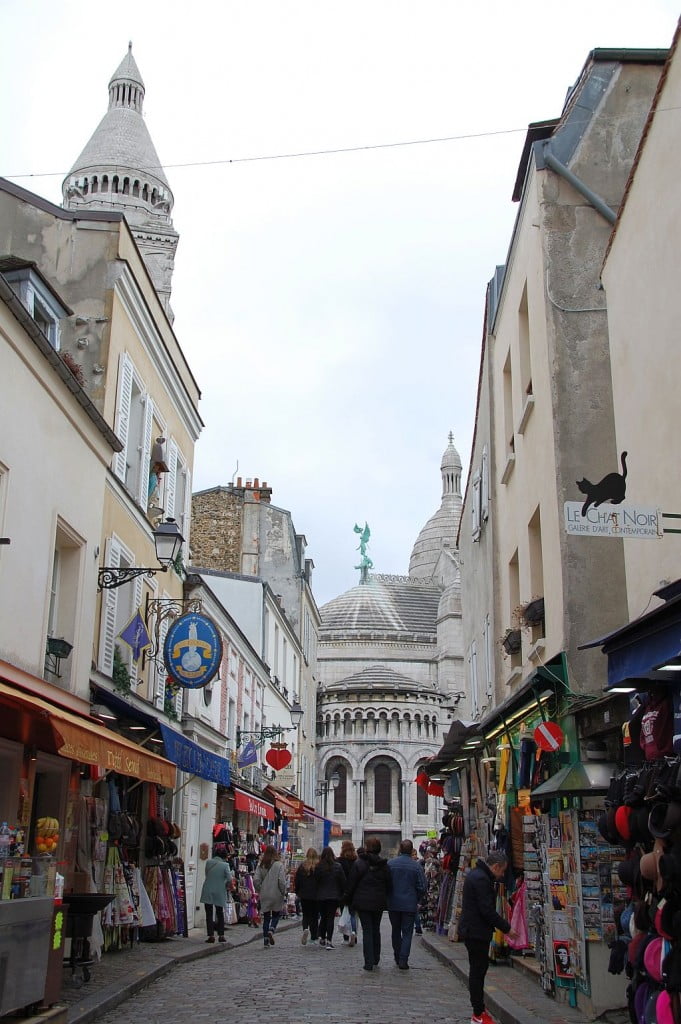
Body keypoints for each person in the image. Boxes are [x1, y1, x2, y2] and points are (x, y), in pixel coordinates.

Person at [457, 851, 515, 1024]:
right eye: (502, 871)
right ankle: (478, 1013)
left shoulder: (476, 875)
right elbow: (486, 910)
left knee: (478, 971)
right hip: (476, 932)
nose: (502, 875)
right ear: (496, 866)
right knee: (478, 972)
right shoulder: (482, 879)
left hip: (472, 930)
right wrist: (506, 928)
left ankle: (479, 1011)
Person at [344, 836, 391, 972]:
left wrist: (347, 898)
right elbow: (389, 884)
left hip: (363, 902)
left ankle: (368, 961)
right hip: (378, 902)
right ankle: (375, 958)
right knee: (375, 929)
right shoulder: (384, 865)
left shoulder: (359, 864)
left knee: (367, 930)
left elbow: (351, 883)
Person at [387, 838, 426, 969]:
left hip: (393, 903)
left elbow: (385, 883)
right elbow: (422, 887)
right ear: (411, 851)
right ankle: (403, 959)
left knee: (396, 931)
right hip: (409, 904)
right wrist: (416, 898)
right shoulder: (416, 866)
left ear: (400, 849)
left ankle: (398, 956)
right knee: (407, 932)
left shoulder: (391, 864)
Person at [253, 846, 287, 949]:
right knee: (276, 914)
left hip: (265, 894)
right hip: (276, 893)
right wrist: (283, 891)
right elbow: (281, 881)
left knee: (266, 917)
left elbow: (256, 880)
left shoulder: (261, 865)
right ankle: (271, 930)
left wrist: (260, 889)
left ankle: (266, 940)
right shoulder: (279, 865)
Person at [313, 846, 345, 949]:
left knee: (323, 917)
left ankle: (322, 937)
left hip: (321, 896)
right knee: (330, 918)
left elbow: (315, 882)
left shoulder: (318, 867)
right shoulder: (338, 866)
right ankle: (329, 941)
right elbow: (343, 882)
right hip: (333, 896)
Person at [200, 848, 233, 944]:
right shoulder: (225, 865)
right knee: (219, 913)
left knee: (209, 914)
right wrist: (226, 883)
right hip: (219, 890)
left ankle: (211, 935)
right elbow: (229, 879)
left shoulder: (209, 862)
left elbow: (207, 874)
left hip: (208, 889)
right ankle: (221, 935)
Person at [294, 847, 320, 944]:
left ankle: (305, 928)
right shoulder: (319, 866)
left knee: (306, 914)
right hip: (316, 895)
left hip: (304, 894)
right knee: (314, 916)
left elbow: (297, 881)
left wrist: (297, 891)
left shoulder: (302, 866)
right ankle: (313, 937)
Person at [338, 839, 359, 946]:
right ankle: (354, 934)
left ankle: (346, 937)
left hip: (343, 891)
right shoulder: (356, 861)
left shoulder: (340, 861)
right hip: (355, 891)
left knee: (344, 913)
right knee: (353, 915)